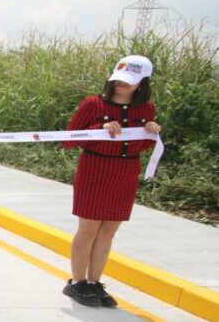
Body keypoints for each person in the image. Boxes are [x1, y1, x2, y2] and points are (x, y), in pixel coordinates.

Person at [60, 55, 160, 308]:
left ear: (142, 84)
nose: (122, 85)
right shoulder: (92, 104)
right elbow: (69, 140)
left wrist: (150, 131)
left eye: (129, 82)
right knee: (88, 228)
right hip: (95, 168)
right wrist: (100, 127)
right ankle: (77, 282)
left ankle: (95, 282)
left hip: (126, 172)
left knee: (109, 230)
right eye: (118, 80)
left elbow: (144, 145)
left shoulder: (146, 109)